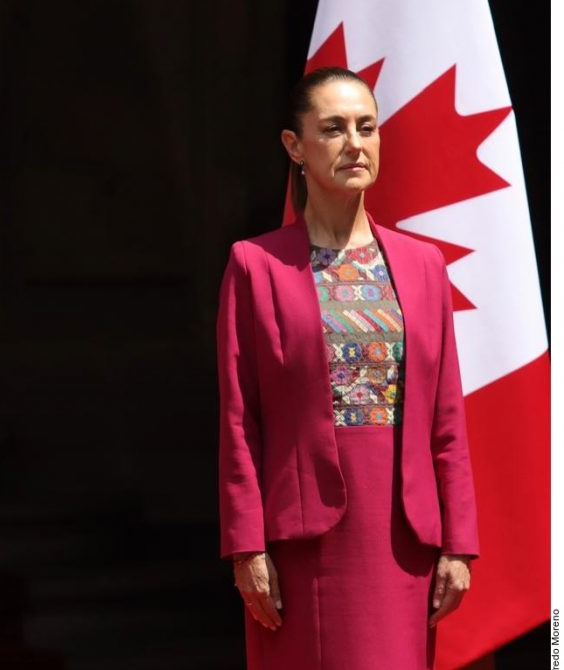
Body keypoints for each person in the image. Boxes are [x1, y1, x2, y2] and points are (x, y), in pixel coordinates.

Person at [216, 67, 478, 669]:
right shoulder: (255, 266)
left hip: (404, 539)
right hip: (304, 547)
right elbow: (239, 420)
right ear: (295, 146)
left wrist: (459, 544)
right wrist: (245, 546)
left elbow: (447, 418)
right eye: (333, 129)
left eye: (367, 127)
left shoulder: (423, 265)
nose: (355, 143)